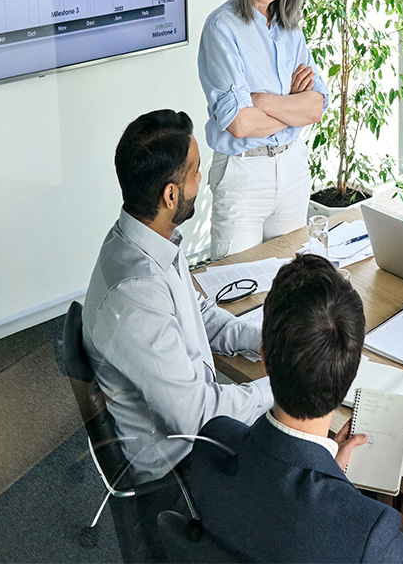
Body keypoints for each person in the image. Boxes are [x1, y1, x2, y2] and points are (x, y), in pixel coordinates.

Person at [191, 254, 403, 563]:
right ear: (351, 376)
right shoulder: (366, 533)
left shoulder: (210, 444)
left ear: (264, 358)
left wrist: (327, 469)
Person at [82, 109, 272, 487]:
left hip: (196, 426)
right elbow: (198, 417)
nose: (201, 180)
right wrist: (283, 384)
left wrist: (265, 339)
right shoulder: (135, 294)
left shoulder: (144, 239)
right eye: (195, 172)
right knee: (311, 450)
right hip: (181, 471)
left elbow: (198, 313)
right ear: (171, 195)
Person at [198, 0, 328, 260]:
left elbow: (316, 107)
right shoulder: (221, 28)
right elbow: (239, 123)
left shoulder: (291, 29)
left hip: (292, 170)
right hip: (243, 174)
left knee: (293, 292)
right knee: (237, 292)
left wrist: (262, 100)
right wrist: (291, 104)